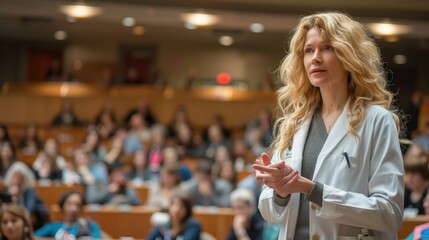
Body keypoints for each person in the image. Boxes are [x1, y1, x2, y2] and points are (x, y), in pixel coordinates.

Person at [252, 12, 404, 239]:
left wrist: (313, 190)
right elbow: (270, 212)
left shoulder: (377, 121)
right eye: (308, 50)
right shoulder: (295, 123)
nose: (315, 58)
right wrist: (279, 192)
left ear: (348, 54)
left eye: (327, 48)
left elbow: (389, 213)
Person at [35, 191, 102, 239]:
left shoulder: (90, 225)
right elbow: (33, 237)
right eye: (69, 204)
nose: (73, 209)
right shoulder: (53, 226)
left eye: (77, 205)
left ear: (82, 208)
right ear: (62, 206)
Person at [3, 162, 49, 230]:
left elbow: (29, 210)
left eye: (20, 178)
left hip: (27, 222)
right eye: (15, 177)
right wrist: (10, 195)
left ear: (24, 179)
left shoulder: (30, 191)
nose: (17, 181)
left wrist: (17, 198)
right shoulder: (6, 191)